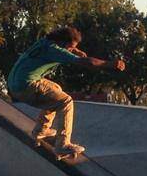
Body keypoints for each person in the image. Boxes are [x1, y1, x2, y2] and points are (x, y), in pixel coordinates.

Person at [8, 26, 125, 157]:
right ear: (63, 43)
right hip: (27, 86)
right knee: (65, 101)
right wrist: (108, 64)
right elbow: (88, 63)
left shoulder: (45, 41)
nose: (71, 50)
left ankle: (41, 130)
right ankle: (63, 145)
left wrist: (75, 50)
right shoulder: (54, 50)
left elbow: (67, 45)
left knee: (55, 90)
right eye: (70, 47)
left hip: (14, 84)